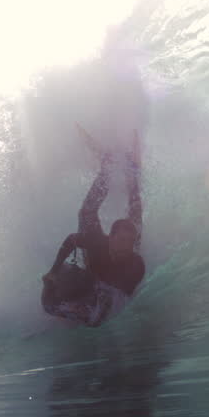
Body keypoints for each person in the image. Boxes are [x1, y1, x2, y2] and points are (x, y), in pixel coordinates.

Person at [41, 134, 144, 326]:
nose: (125, 247)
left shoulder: (135, 263)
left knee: (135, 212)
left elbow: (119, 298)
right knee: (86, 212)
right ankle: (106, 170)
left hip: (110, 282)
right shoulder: (98, 244)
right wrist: (53, 272)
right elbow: (72, 240)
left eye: (128, 243)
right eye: (121, 241)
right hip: (96, 262)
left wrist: (98, 301)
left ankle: (132, 172)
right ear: (110, 238)